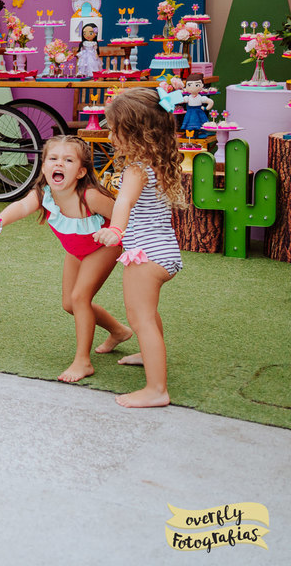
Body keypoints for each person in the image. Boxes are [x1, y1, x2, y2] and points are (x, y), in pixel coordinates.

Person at [0, 136, 132, 382]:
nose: (58, 164)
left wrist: (117, 235)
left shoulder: (90, 196)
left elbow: (121, 217)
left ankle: (83, 361)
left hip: (103, 247)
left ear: (81, 172)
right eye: (53, 158)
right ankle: (118, 330)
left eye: (68, 160)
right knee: (70, 304)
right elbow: (21, 207)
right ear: (43, 166)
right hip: (76, 250)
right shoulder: (43, 193)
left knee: (80, 297)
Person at [92, 88, 185, 408]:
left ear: (134, 133)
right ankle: (149, 355)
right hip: (165, 253)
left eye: (114, 128)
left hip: (145, 255)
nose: (109, 133)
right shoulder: (158, 163)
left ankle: (157, 389)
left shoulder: (135, 170)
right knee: (147, 313)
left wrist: (115, 230)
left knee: (139, 317)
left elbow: (125, 203)